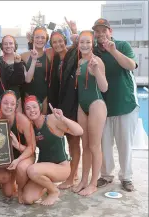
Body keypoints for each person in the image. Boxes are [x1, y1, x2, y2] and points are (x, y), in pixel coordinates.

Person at [92, 18, 139, 192]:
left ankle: (126, 177)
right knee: (104, 144)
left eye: (104, 30)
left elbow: (131, 65)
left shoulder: (122, 45)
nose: (100, 34)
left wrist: (113, 51)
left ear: (110, 31)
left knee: (124, 144)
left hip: (125, 104)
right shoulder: (94, 50)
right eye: (97, 31)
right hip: (103, 107)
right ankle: (106, 175)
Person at [22, 95, 83, 205]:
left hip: (61, 167)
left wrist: (63, 118)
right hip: (43, 169)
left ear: (40, 107)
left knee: (32, 170)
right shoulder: (30, 127)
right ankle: (47, 185)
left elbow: (79, 131)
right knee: (28, 198)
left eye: (34, 107)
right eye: (28, 108)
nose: (32, 110)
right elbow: (29, 149)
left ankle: (54, 191)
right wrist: (17, 145)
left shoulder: (51, 119)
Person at [71, 31, 108, 196]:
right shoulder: (79, 62)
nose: (84, 45)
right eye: (81, 42)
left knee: (94, 146)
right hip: (82, 105)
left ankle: (94, 183)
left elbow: (104, 87)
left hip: (96, 104)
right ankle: (84, 180)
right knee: (84, 145)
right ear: (78, 44)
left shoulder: (96, 61)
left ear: (92, 43)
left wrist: (96, 70)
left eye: (87, 42)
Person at [47, 29, 82, 189]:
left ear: (65, 40)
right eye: (54, 42)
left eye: (60, 40)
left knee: (74, 142)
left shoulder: (73, 55)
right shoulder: (54, 59)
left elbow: (83, 46)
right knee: (67, 141)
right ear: (51, 45)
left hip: (73, 103)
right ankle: (72, 174)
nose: (58, 44)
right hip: (60, 105)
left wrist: (76, 33)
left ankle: (72, 176)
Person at [0, 90, 36, 203]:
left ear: (16, 106)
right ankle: (13, 179)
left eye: (12, 104)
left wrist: (18, 150)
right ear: (0, 103)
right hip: (7, 157)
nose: (8, 106)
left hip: (24, 155)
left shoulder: (22, 120)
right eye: (5, 103)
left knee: (20, 167)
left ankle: (21, 189)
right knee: (8, 193)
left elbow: (32, 148)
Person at [20, 26, 52, 114]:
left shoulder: (50, 53)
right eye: (37, 37)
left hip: (45, 96)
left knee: (43, 123)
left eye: (43, 37)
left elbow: (65, 48)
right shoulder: (24, 56)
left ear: (46, 40)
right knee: (30, 124)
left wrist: (74, 32)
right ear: (32, 38)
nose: (40, 40)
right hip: (28, 94)